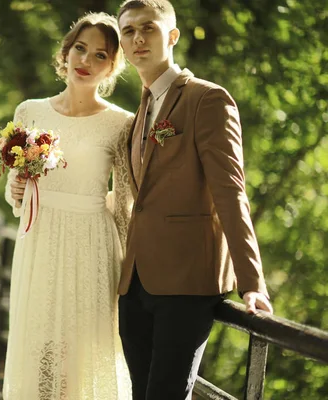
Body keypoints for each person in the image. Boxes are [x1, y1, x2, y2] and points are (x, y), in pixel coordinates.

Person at [115, 1, 274, 399]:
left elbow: (230, 191)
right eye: (128, 31)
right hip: (135, 284)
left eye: (147, 28)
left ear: (171, 37)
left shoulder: (208, 99)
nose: (137, 38)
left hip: (187, 281)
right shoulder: (140, 111)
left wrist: (251, 282)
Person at [2, 12, 134, 400]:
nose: (85, 61)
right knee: (40, 343)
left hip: (92, 244)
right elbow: (16, 191)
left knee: (82, 351)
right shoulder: (30, 111)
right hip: (40, 238)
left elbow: (124, 200)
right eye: (80, 49)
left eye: (99, 56)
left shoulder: (121, 124)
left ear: (112, 67)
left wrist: (130, 273)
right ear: (66, 52)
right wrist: (16, 187)